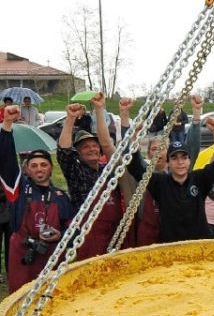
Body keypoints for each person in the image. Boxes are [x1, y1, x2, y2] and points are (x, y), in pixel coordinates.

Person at [0, 105, 73, 293]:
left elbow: (71, 227)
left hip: (51, 257)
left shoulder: (60, 197)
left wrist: (61, 235)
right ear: (26, 170)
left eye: (43, 164)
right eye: (34, 165)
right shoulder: (18, 190)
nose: (39, 169)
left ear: (50, 168)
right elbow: (6, 160)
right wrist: (7, 125)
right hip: (23, 258)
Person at [127, 116, 214, 242]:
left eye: (184, 157)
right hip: (171, 248)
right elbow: (134, 167)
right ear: (168, 163)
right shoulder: (160, 183)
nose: (180, 162)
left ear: (190, 161)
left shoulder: (199, 179)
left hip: (199, 245)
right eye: (174, 158)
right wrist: (134, 135)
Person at [119, 95, 203, 246]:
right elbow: (131, 158)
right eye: (154, 149)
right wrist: (125, 119)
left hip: (172, 233)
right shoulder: (147, 173)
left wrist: (197, 115)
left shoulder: (179, 172)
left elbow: (192, 148)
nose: (157, 152)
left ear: (169, 153)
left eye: (162, 148)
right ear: (149, 154)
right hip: (148, 232)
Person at [57, 93, 123, 260]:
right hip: (87, 235)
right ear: (78, 153)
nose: (92, 149)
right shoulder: (75, 171)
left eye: (94, 145)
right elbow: (64, 151)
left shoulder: (106, 170)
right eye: (86, 147)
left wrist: (100, 109)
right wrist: (70, 119)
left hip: (114, 232)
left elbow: (107, 142)